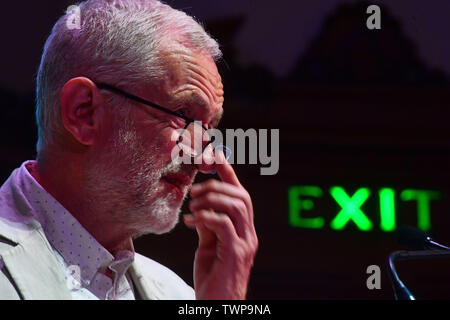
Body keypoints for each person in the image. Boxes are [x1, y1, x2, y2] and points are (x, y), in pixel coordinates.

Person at [0, 0, 257, 300]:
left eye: (209, 130)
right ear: (84, 112)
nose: (205, 159)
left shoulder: (181, 295)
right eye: (183, 115)